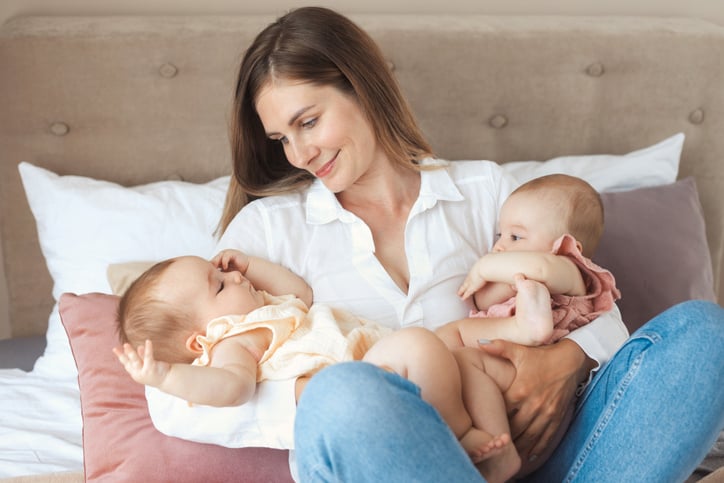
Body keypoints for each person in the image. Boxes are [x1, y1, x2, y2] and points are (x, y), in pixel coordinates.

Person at [144, 6, 724, 482]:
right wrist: (312, 391)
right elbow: (171, 399)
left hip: (543, 459)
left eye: (309, 122)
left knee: (704, 334)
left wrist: (566, 361)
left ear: (363, 88)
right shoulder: (264, 235)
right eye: (280, 138)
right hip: (383, 462)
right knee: (348, 394)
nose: (297, 155)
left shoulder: (486, 193)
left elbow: (593, 305)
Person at [114, 249, 521, 480]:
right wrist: (168, 376)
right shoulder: (233, 343)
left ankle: (498, 454)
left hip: (387, 374)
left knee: (466, 361)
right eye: (218, 284)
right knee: (419, 344)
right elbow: (232, 389)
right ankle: (458, 432)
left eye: (221, 271)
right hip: (361, 408)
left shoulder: (271, 308)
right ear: (202, 338)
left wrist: (251, 267)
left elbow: (300, 291)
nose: (233, 279)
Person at [437, 173, 621, 349]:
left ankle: (523, 329)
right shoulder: (514, 278)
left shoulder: (569, 269)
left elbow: (542, 269)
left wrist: (483, 267)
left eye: (515, 237)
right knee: (444, 339)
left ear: (565, 246)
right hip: (496, 355)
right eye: (500, 235)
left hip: (542, 356)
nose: (499, 246)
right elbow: (483, 302)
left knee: (453, 334)